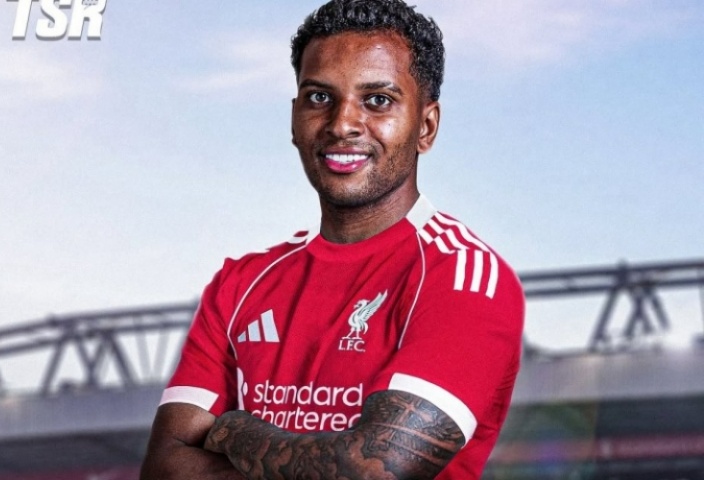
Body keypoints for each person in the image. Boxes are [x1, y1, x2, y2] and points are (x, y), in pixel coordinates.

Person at [140, 0, 525, 478]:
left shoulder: (464, 276)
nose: (342, 124)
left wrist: (233, 429)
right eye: (320, 97)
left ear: (425, 127)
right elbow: (164, 466)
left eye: (377, 100)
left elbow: (371, 470)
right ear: (294, 118)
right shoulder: (239, 284)